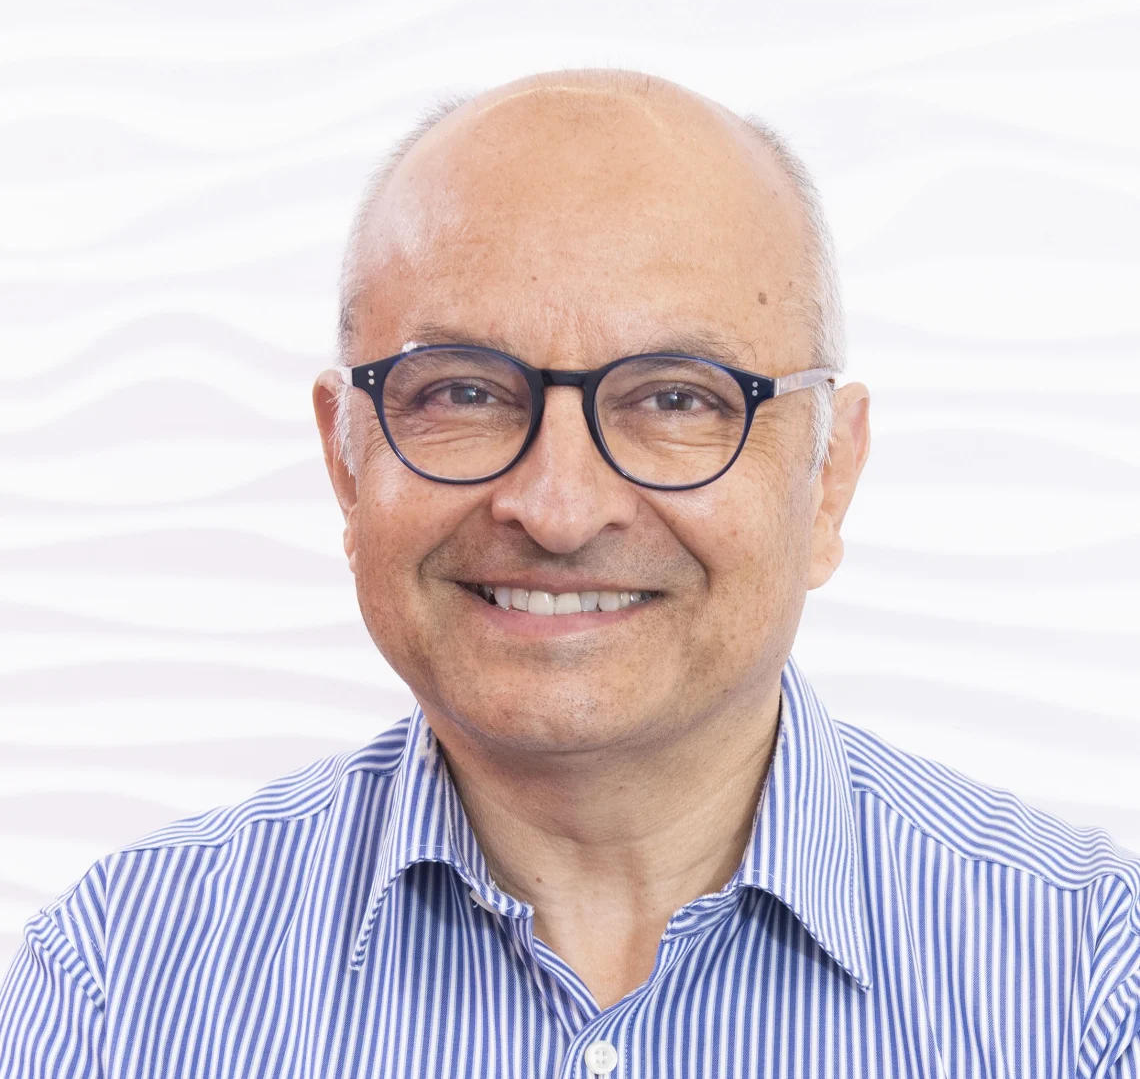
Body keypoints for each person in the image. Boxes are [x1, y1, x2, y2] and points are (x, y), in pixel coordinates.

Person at [1, 68, 1137, 1078]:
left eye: (676, 399)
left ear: (830, 478)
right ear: (346, 463)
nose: (556, 508)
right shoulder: (122, 985)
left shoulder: (1088, 978)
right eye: (460, 392)